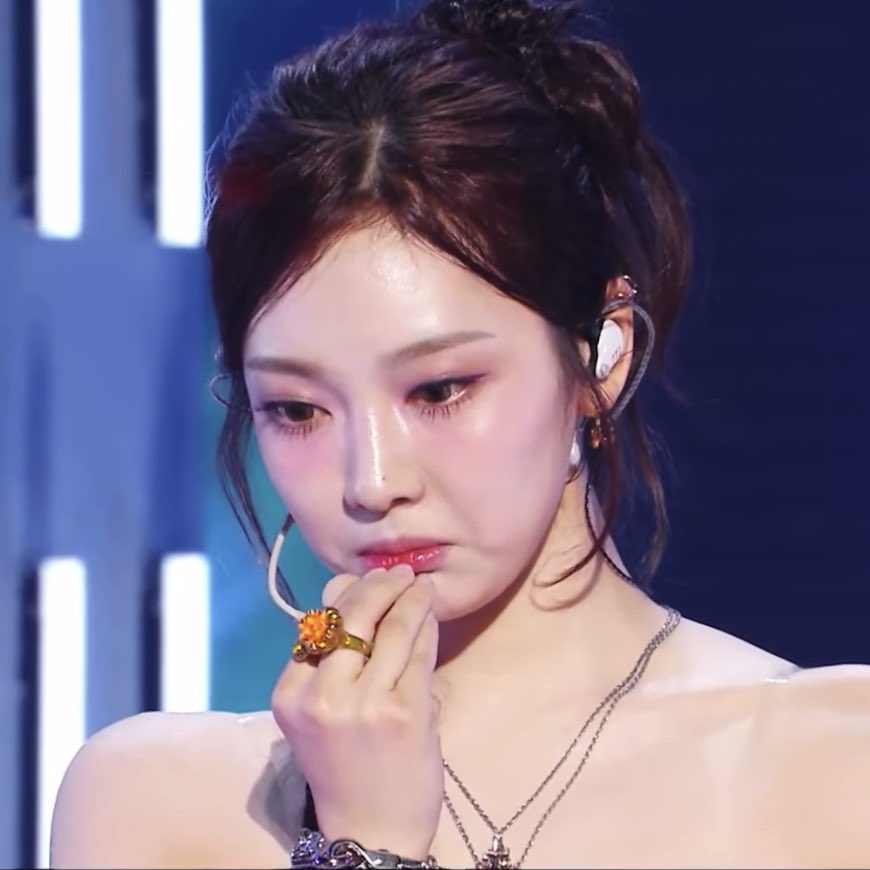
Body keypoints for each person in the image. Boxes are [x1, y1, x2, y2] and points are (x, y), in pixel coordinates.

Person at [50, 1, 870, 867]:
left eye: (439, 389)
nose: (371, 481)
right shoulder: (155, 803)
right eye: (297, 409)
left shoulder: (832, 767)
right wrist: (366, 843)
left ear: (601, 355)